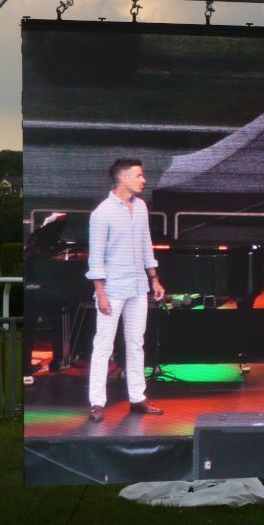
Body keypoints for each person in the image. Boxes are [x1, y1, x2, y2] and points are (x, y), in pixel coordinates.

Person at [85, 159, 165, 422]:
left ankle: (138, 397)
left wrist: (154, 278)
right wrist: (101, 292)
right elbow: (95, 257)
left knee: (136, 343)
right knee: (104, 345)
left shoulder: (140, 207)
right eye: (139, 176)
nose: (144, 180)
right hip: (113, 288)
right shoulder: (102, 213)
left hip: (137, 286)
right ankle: (97, 402)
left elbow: (146, 244)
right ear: (124, 179)